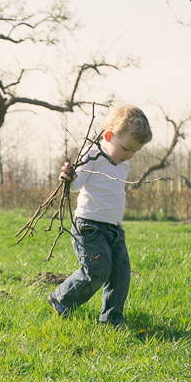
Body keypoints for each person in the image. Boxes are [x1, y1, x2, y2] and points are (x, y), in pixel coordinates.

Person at [47, 105, 153, 327]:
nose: (129, 155)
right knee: (97, 271)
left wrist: (119, 226)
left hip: (114, 229)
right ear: (108, 136)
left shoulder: (123, 164)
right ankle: (61, 298)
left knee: (121, 275)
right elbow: (76, 184)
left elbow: (114, 196)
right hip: (89, 227)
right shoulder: (92, 155)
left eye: (135, 151)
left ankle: (112, 319)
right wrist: (68, 176)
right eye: (126, 148)